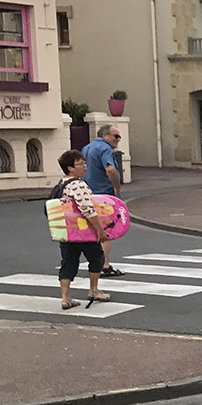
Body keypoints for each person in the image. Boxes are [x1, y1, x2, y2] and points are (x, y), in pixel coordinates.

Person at [54, 149, 109, 309]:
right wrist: (100, 229)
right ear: (70, 168)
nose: (84, 166)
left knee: (68, 262)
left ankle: (65, 297)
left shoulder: (62, 183)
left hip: (67, 231)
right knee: (96, 257)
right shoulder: (78, 184)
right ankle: (94, 290)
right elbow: (87, 209)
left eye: (84, 163)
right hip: (82, 231)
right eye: (80, 164)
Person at [81, 124, 126, 276]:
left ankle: (95, 262)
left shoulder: (86, 148)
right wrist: (116, 188)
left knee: (94, 230)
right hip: (104, 194)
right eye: (116, 136)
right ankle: (104, 265)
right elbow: (110, 169)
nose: (118, 140)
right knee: (107, 230)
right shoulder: (105, 148)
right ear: (105, 135)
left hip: (88, 193)